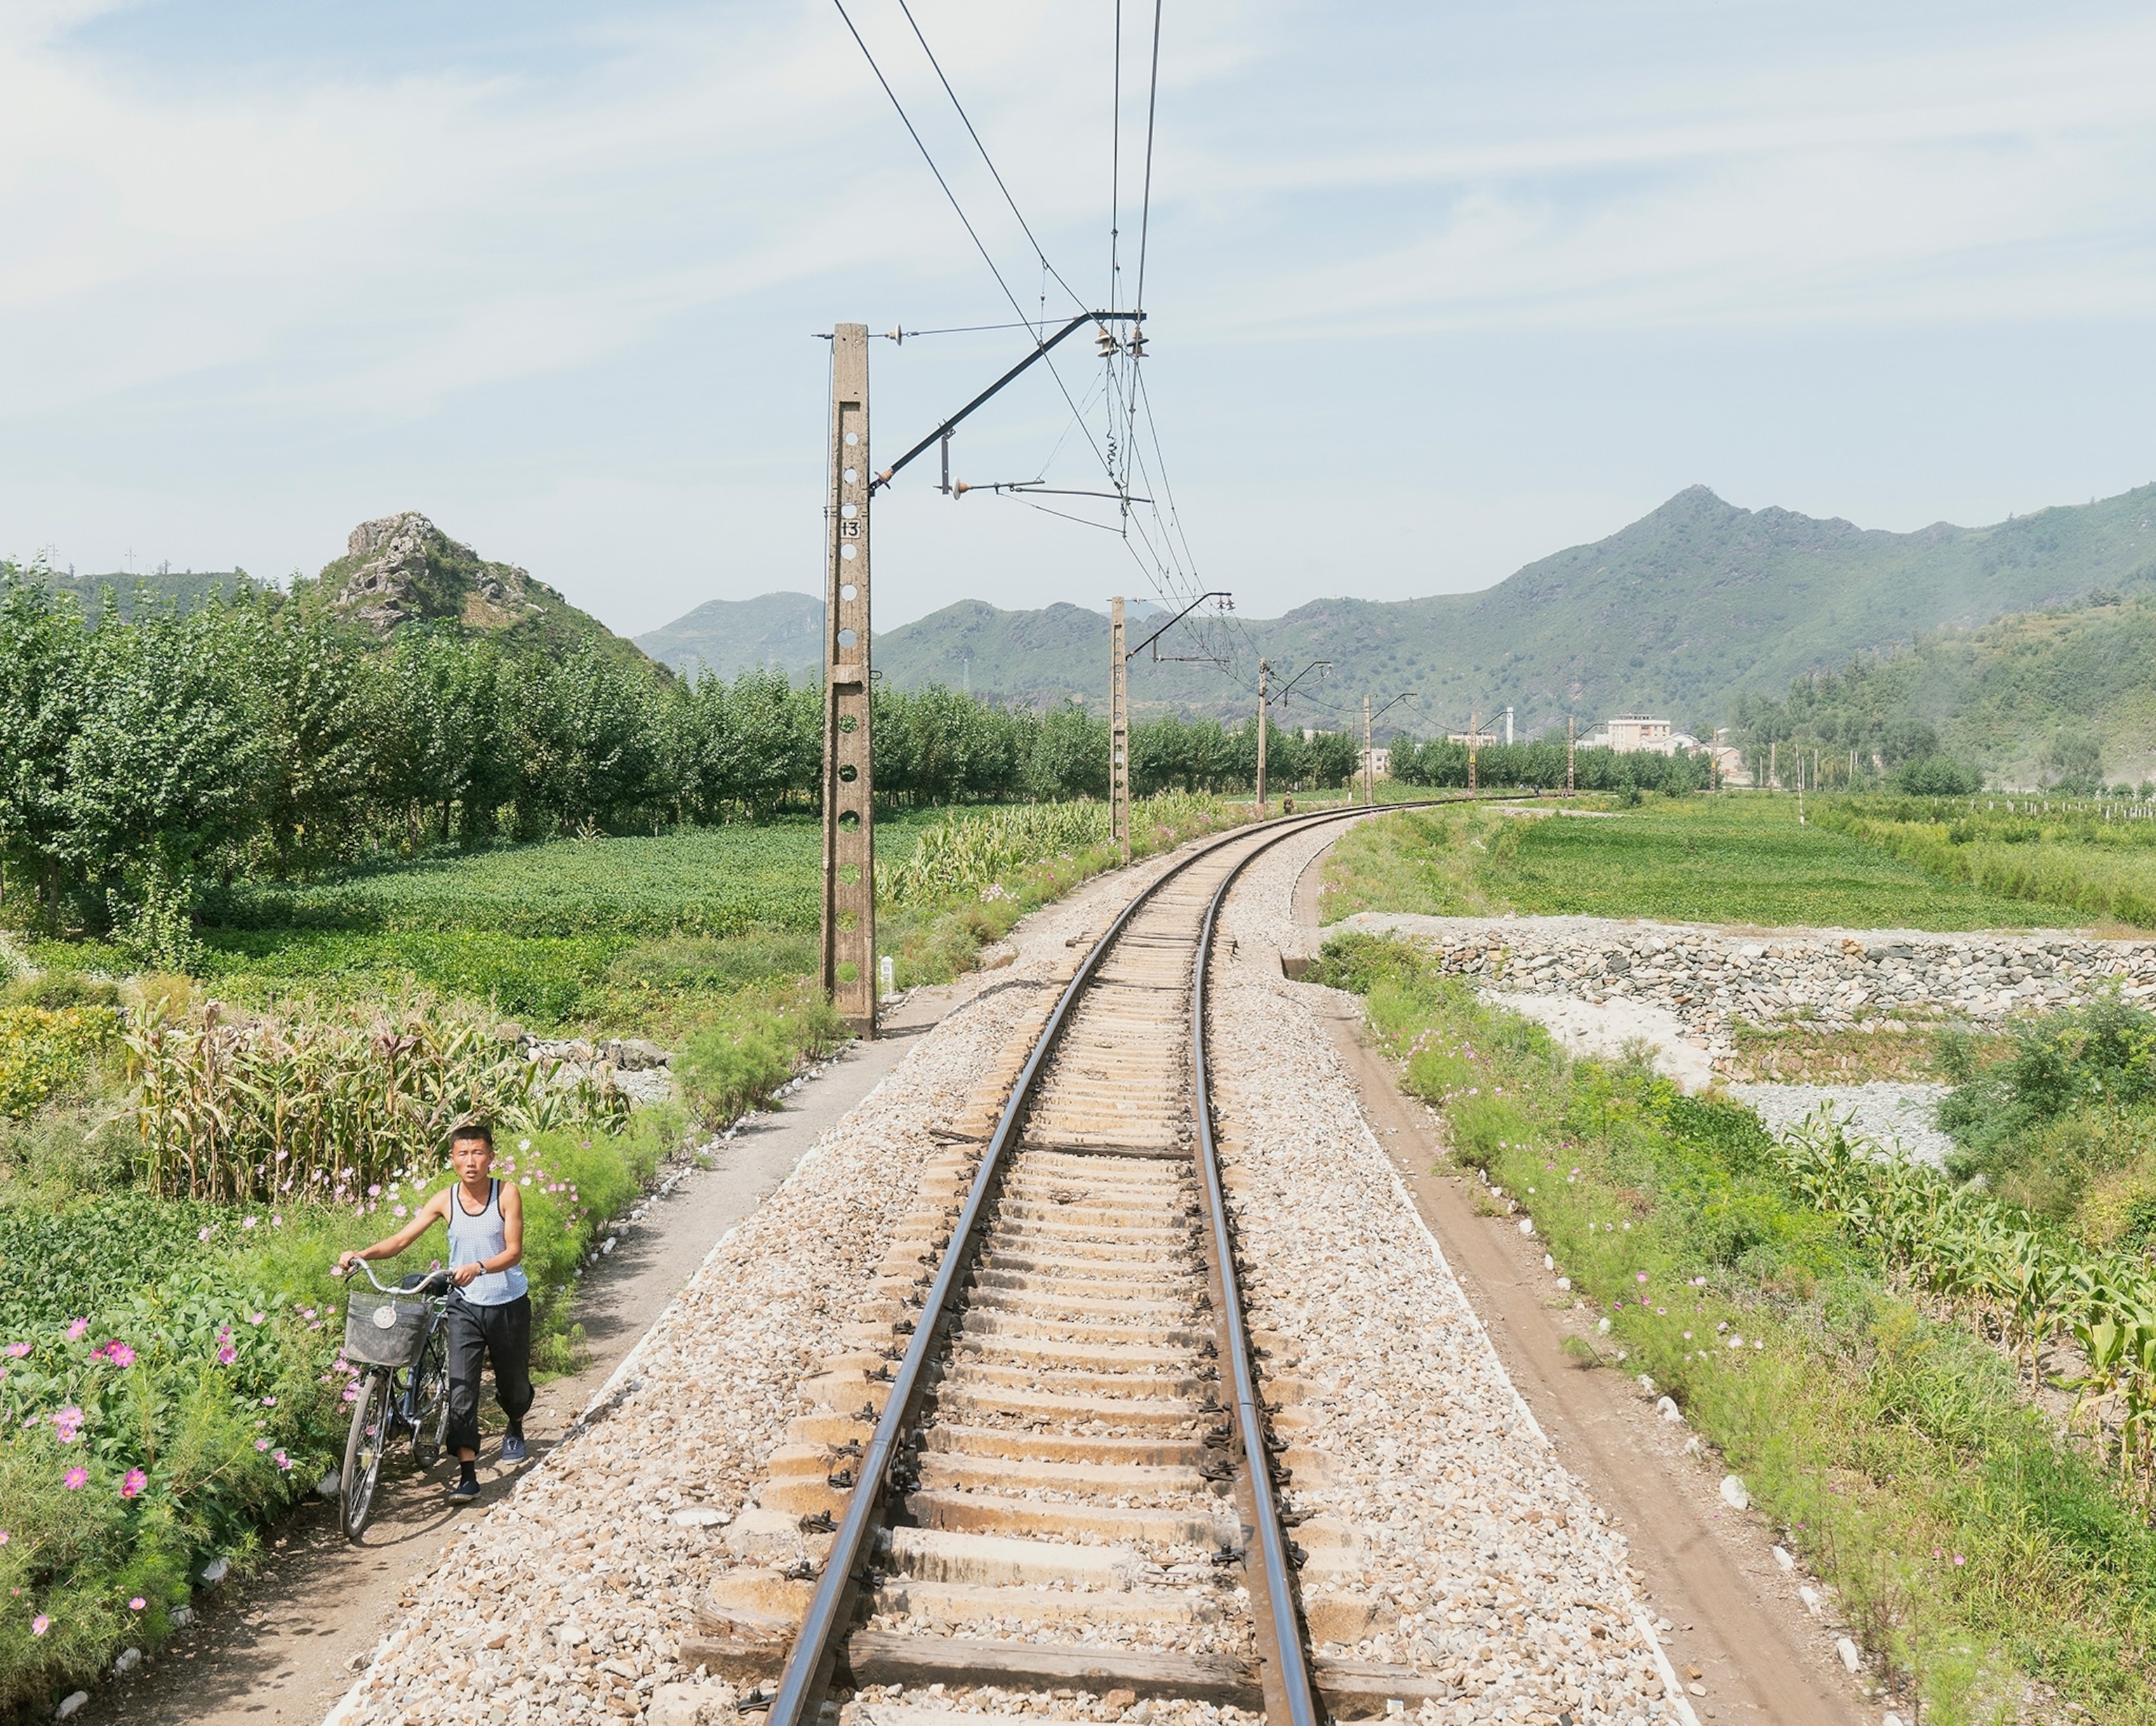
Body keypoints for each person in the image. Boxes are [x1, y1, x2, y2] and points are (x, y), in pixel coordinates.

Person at [338, 1117, 533, 1502]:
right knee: (461, 1389)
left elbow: (514, 1252)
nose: (471, 1160)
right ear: (453, 1159)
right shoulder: (445, 1200)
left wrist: (478, 1267)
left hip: (507, 1301)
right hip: (465, 1305)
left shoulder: (506, 1194)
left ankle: (514, 1422)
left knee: (513, 1386)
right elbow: (401, 1238)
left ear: (491, 1157)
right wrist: (360, 1254)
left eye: (478, 1152)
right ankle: (468, 1475)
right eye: (463, 1154)